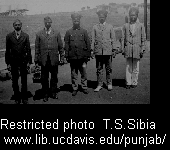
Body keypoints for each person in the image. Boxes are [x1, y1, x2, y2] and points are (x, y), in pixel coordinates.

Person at [34, 16, 64, 102]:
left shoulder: (56, 33)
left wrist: (62, 57)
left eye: (49, 22)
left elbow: (60, 47)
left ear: (51, 23)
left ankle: (53, 93)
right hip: (43, 60)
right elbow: (37, 48)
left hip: (54, 59)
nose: (48, 23)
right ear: (44, 23)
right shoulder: (39, 34)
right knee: (44, 78)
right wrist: (36, 60)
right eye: (46, 22)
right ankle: (45, 94)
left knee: (54, 77)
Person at [5, 19, 32, 104]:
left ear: (21, 25)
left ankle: (24, 98)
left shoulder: (25, 36)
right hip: (13, 62)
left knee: (24, 80)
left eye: (19, 25)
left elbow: (28, 49)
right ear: (13, 26)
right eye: (16, 25)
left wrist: (29, 62)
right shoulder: (9, 36)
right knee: (15, 81)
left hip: (23, 61)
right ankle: (17, 97)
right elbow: (7, 51)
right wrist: (8, 63)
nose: (17, 26)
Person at [64, 12, 91, 96]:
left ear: (79, 20)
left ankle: (84, 87)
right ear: (72, 20)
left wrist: (87, 55)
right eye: (74, 19)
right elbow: (67, 44)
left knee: (84, 73)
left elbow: (88, 44)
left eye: (77, 19)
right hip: (73, 57)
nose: (76, 21)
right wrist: (67, 56)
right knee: (74, 73)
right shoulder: (68, 32)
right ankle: (75, 88)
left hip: (82, 57)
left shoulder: (84, 31)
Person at [91, 9, 117, 92]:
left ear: (106, 17)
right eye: (100, 17)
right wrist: (92, 50)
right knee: (99, 68)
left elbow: (113, 39)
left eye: (103, 17)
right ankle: (99, 84)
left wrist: (114, 49)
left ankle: (109, 83)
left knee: (108, 68)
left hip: (107, 51)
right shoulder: (95, 27)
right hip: (98, 51)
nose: (101, 18)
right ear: (98, 17)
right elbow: (93, 39)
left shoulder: (110, 26)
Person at [121, 7, 146, 89]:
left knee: (136, 67)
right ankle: (128, 82)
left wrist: (142, 49)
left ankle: (134, 82)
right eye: (131, 15)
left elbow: (143, 39)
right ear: (129, 15)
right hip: (128, 48)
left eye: (134, 15)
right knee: (128, 66)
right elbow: (123, 38)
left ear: (137, 15)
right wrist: (122, 48)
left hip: (137, 48)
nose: (132, 17)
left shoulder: (141, 26)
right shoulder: (125, 26)